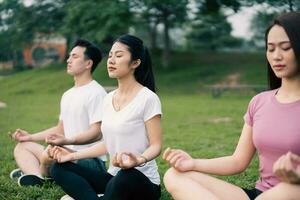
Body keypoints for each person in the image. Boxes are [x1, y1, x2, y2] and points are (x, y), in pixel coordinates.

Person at [163, 12, 300, 200]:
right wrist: (192, 163)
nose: (276, 56)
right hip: (260, 195)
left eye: (286, 48)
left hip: (292, 193)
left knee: (289, 190)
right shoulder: (259, 102)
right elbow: (237, 161)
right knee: (174, 175)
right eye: (270, 48)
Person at [49, 34, 162, 200]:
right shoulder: (108, 99)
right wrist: (71, 156)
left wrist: (138, 160)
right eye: (110, 55)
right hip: (113, 178)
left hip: (141, 181)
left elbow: (156, 145)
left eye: (118, 55)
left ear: (135, 63)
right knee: (59, 168)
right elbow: (107, 145)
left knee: (125, 175)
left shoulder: (148, 98)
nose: (111, 60)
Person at [10, 39, 107, 186]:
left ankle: (35, 171)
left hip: (90, 160)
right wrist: (30, 137)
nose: (68, 60)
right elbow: (60, 128)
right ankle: (37, 176)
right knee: (23, 146)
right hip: (64, 152)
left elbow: (97, 133)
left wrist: (67, 142)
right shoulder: (68, 94)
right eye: (69, 56)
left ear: (88, 64)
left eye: (75, 56)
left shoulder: (96, 93)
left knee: (50, 154)